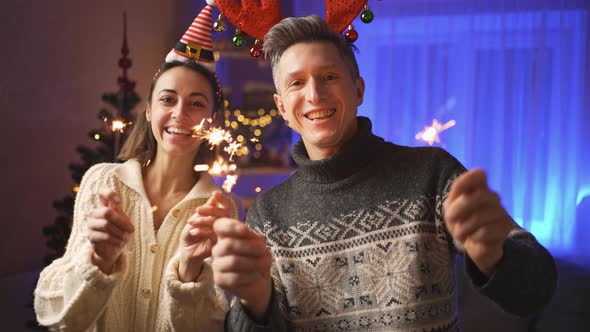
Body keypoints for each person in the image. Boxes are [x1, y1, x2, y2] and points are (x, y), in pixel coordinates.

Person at [211, 15, 557, 331]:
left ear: (358, 90)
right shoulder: (266, 216)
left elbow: (535, 293)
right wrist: (255, 303)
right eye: (297, 83)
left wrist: (497, 257)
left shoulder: (432, 174)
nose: (314, 94)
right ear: (282, 108)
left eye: (329, 77)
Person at [34, 4, 237, 331]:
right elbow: (57, 316)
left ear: (212, 118)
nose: (179, 113)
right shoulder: (103, 182)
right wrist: (99, 261)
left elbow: (211, 323)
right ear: (148, 111)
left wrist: (190, 271)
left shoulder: (220, 208)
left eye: (197, 103)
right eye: (168, 99)